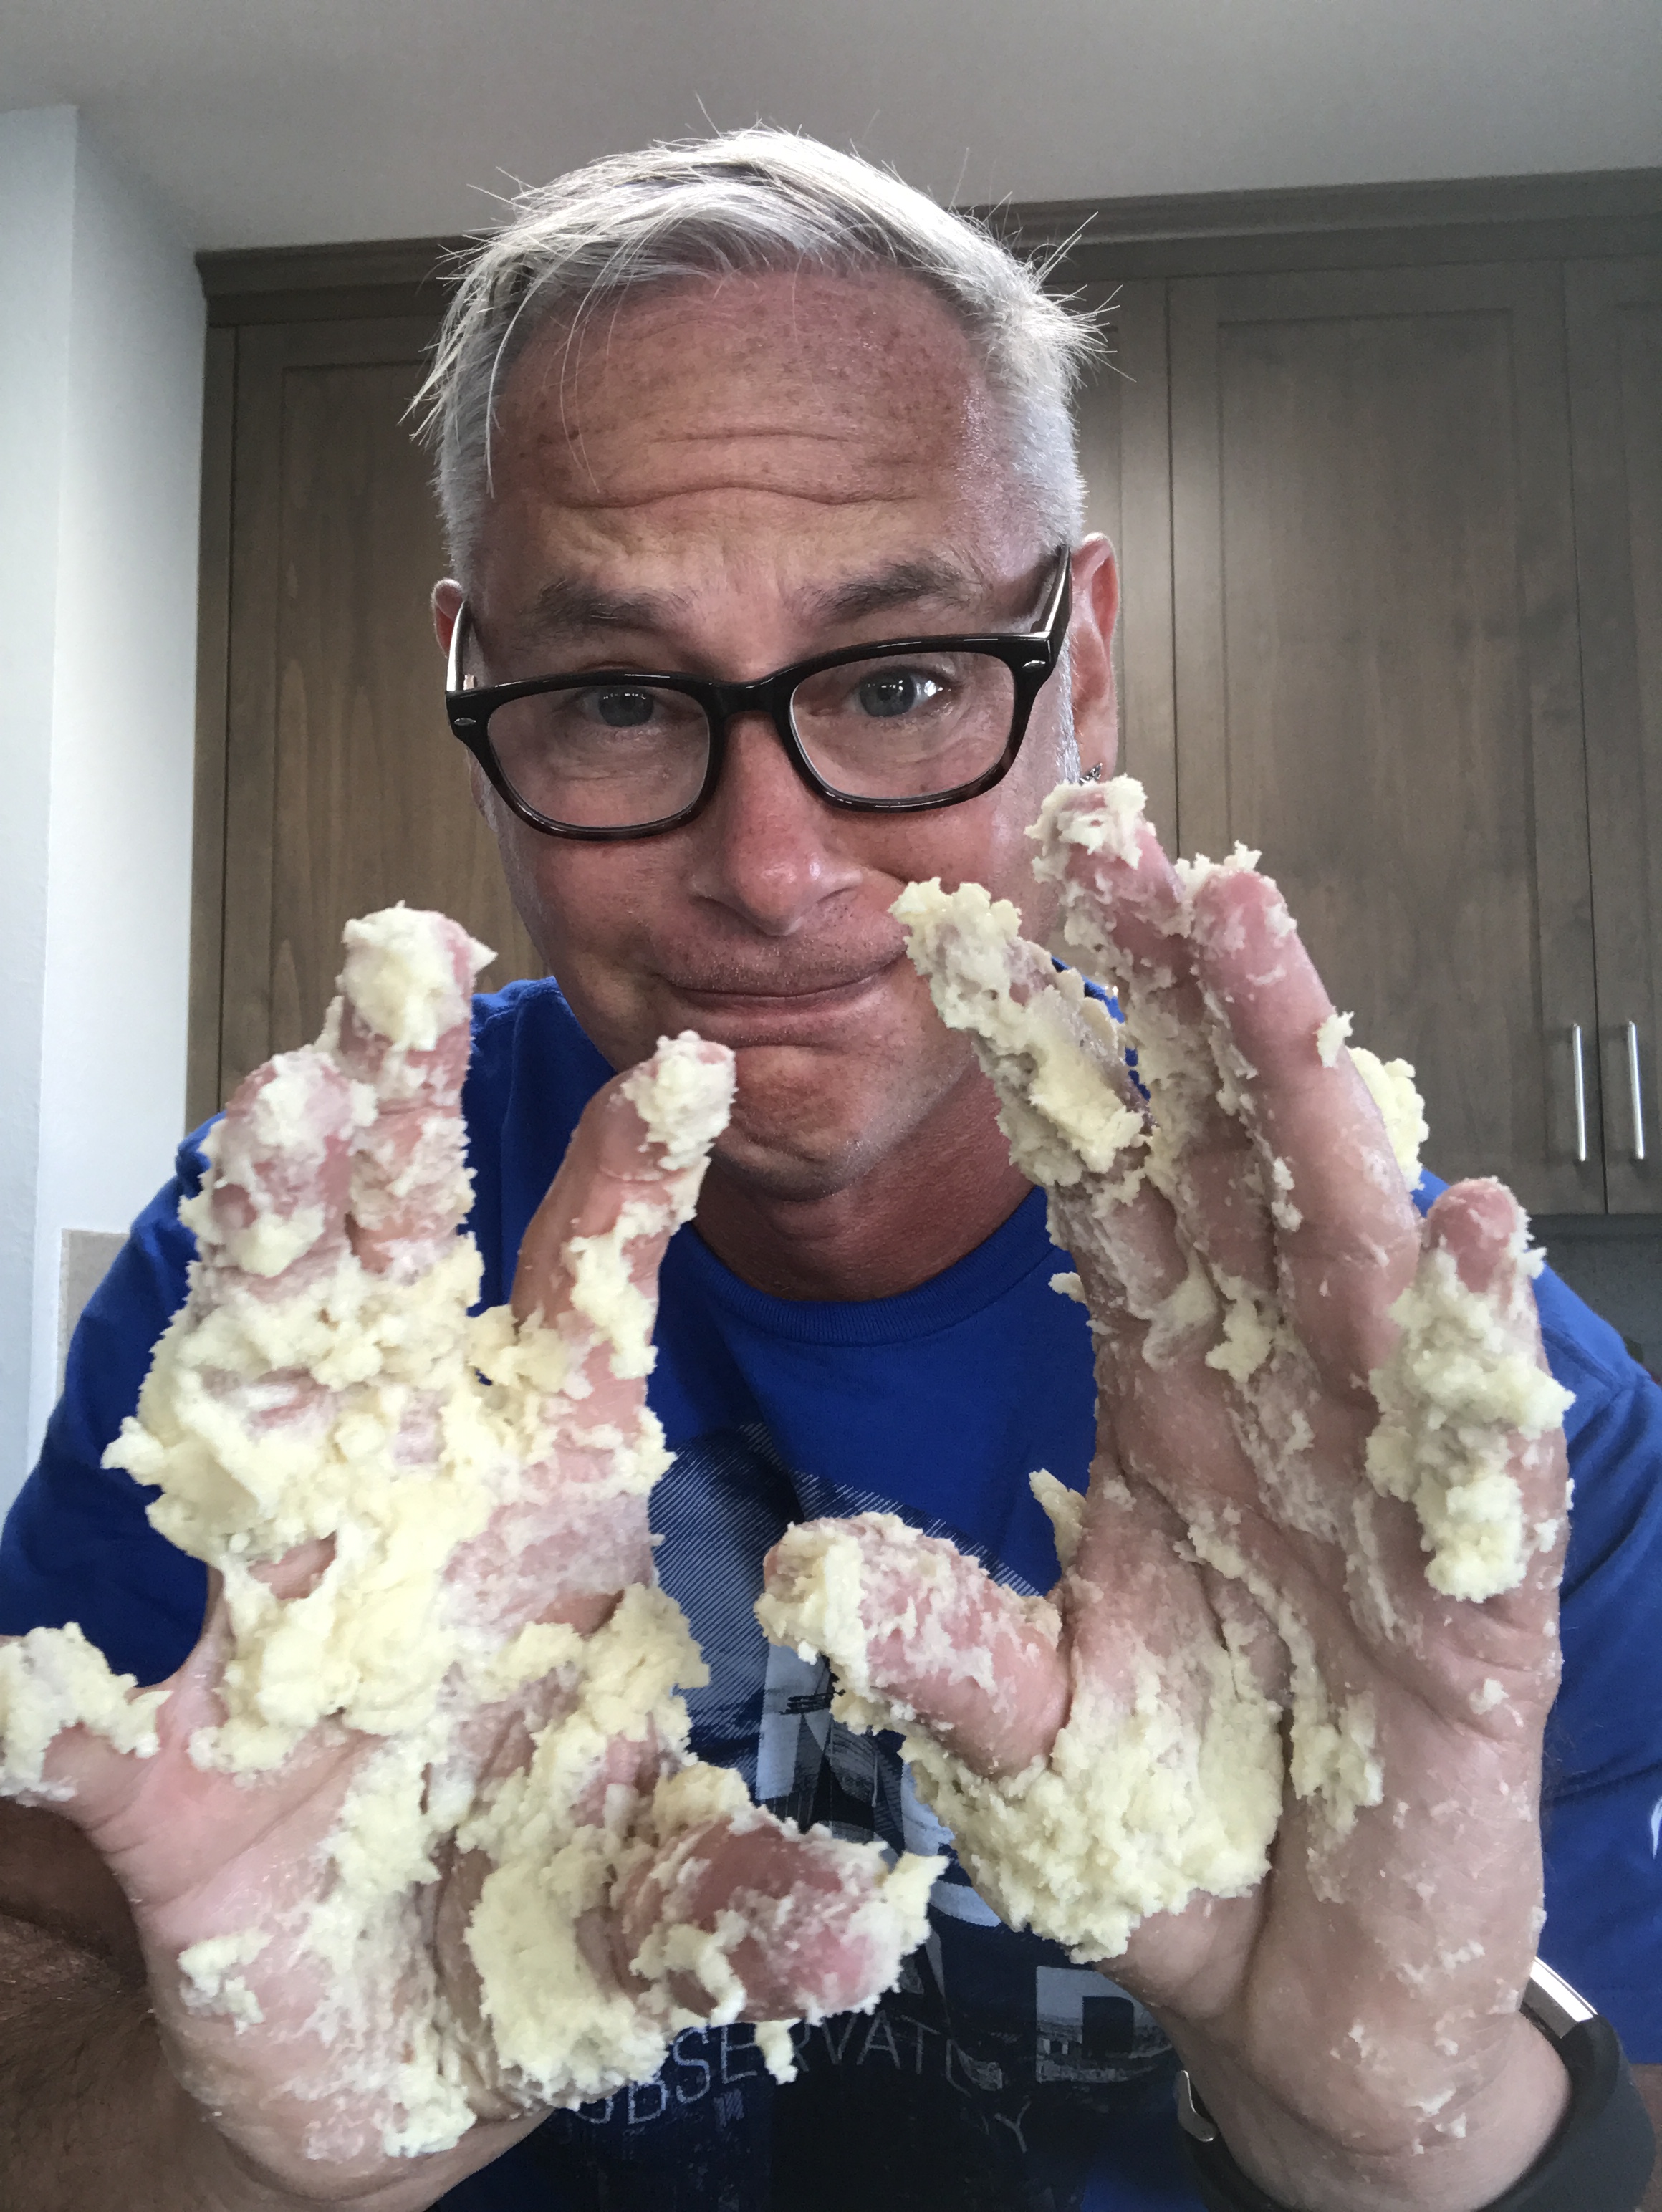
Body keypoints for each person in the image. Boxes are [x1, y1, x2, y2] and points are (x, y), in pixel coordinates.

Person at [1, 130, 1659, 2212]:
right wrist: (234, 2148)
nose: (773, 871)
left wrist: (1436, 2139)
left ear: (1083, 662)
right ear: (476, 681)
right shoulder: (291, 1301)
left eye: (898, 683)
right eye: (619, 699)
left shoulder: (1455, 1442)